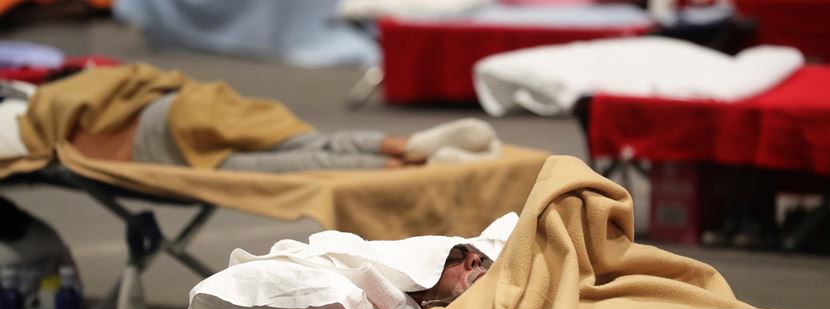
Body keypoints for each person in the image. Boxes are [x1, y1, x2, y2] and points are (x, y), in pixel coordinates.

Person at [3, 63, 502, 169]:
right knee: (295, 139)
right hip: (174, 101)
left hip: (144, 141)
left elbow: (28, 145)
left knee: (267, 168)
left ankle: (403, 163)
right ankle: (400, 144)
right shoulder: (27, 87)